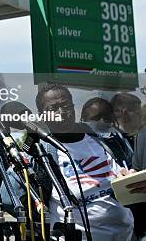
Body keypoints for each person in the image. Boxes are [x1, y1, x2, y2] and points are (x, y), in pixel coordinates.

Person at [35, 84, 134, 241]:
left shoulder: (106, 138)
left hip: (126, 235)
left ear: (74, 107)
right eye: (53, 109)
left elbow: (131, 169)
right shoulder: (40, 153)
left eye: (65, 105)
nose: (61, 112)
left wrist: (131, 177)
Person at [80, 97, 133, 169]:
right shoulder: (82, 145)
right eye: (96, 118)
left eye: (106, 118)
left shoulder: (122, 137)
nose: (102, 121)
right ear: (84, 119)